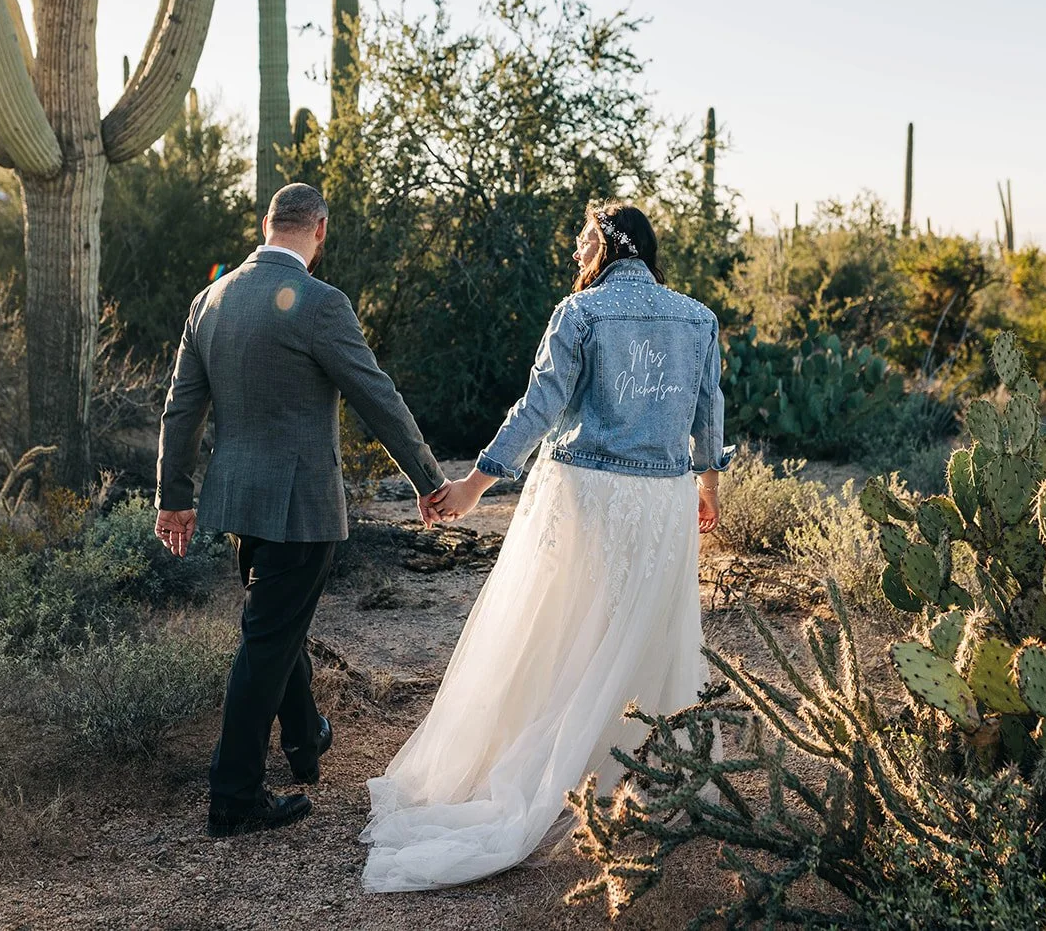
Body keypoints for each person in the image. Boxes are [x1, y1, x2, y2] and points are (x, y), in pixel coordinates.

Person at [360, 200, 730, 892]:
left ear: (611, 245)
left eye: (584, 240)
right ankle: (633, 769)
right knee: (643, 630)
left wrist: (476, 484)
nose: (576, 253)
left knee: (567, 629)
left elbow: (538, 406)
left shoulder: (580, 313)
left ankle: (565, 767)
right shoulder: (698, 319)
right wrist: (708, 486)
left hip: (589, 490)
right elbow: (708, 410)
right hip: (664, 498)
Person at [154, 182, 451, 839]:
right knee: (267, 639)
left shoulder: (210, 300)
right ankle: (234, 795)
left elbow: (181, 408)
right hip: (302, 505)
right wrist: (430, 479)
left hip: (239, 503)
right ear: (319, 228)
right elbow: (376, 396)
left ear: (266, 224)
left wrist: (173, 498)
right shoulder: (320, 303)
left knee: (273, 624)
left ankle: (304, 738)